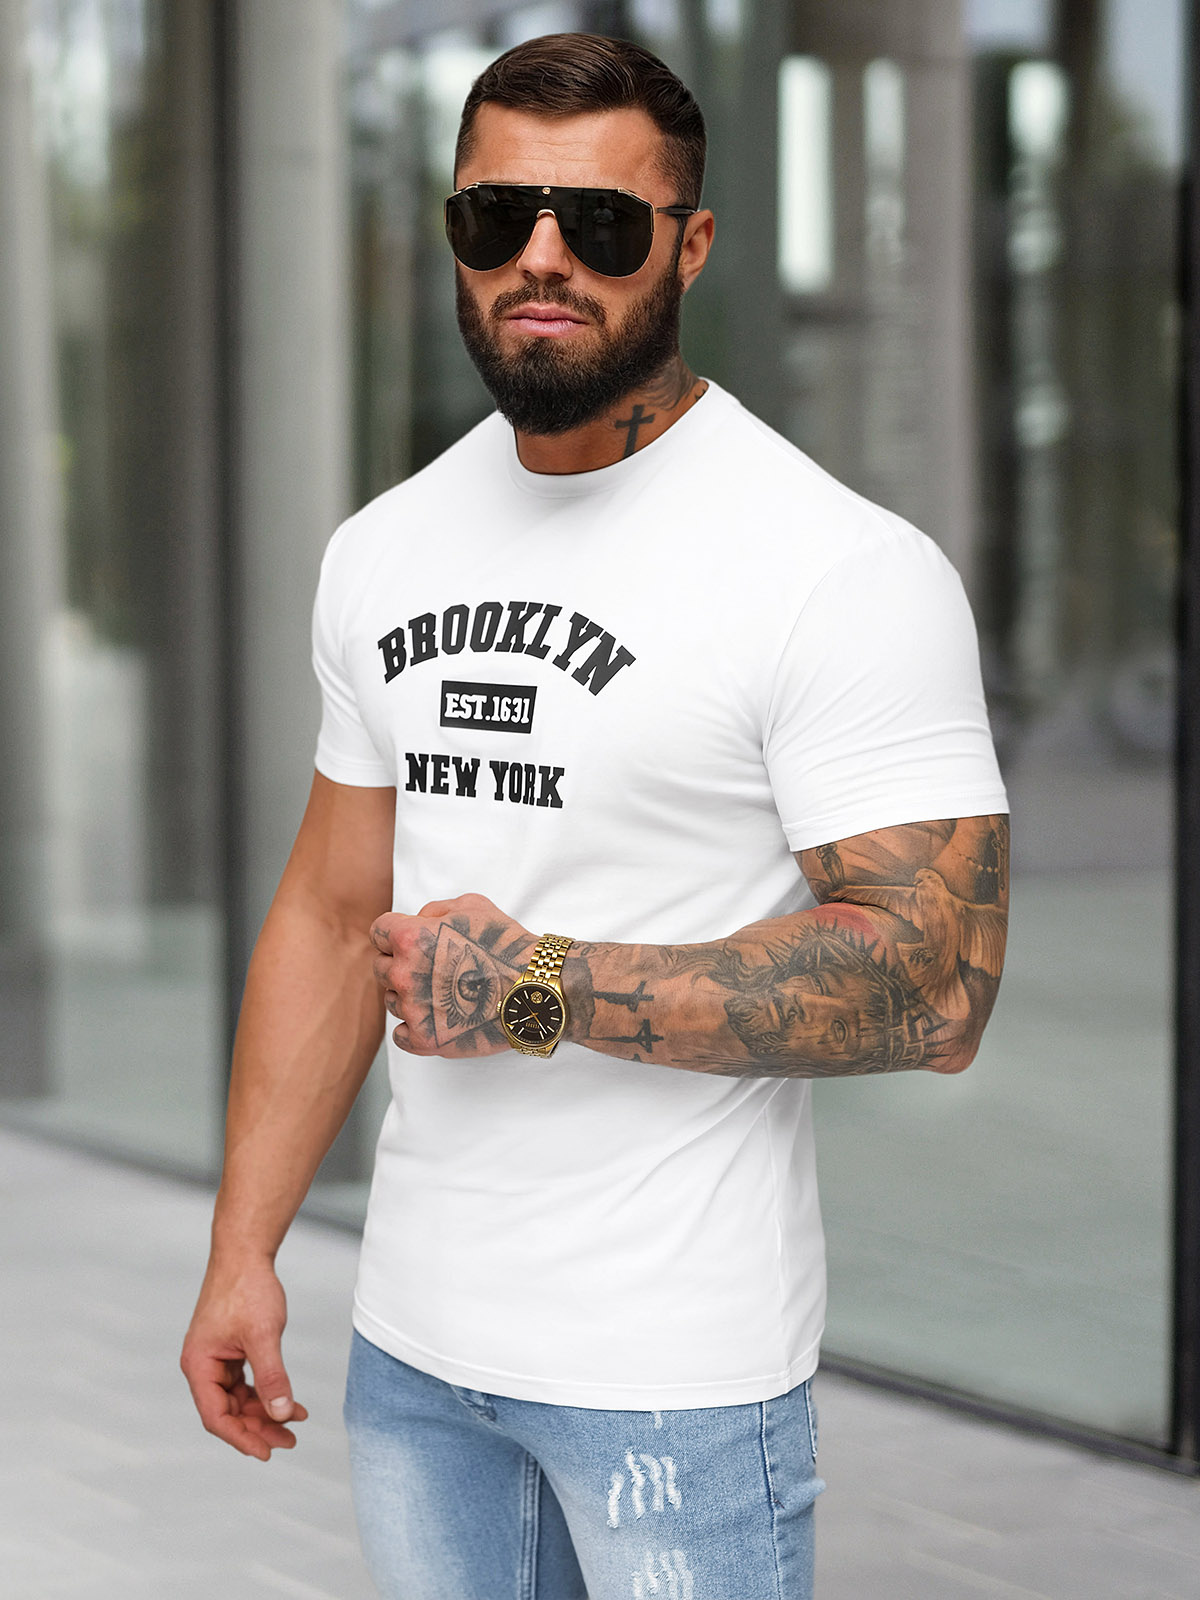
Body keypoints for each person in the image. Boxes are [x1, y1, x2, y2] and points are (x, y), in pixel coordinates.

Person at [181, 32, 1009, 1600]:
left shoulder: (836, 569)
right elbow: (333, 912)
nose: (542, 257)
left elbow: (939, 986)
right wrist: (242, 1251)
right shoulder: (384, 547)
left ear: (690, 246)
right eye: (497, 216)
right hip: (414, 1352)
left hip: (672, 1375)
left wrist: (537, 986)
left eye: (603, 223)